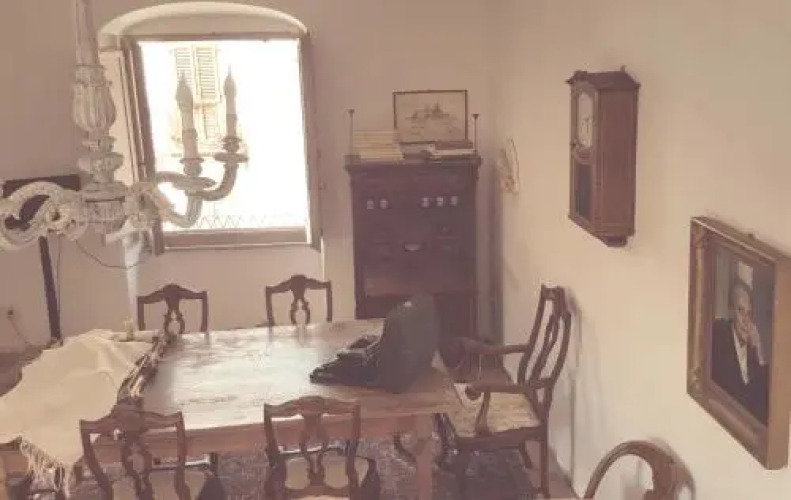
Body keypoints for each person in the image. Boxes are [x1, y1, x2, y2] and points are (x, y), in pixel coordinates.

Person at [711, 278, 769, 424]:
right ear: (731, 311)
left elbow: (763, 404)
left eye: (749, 313)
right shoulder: (718, 335)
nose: (745, 320)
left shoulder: (753, 351)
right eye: (740, 311)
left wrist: (759, 351)